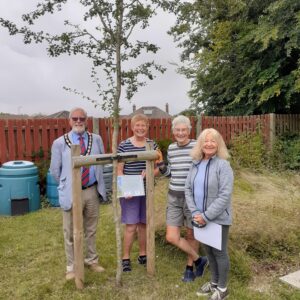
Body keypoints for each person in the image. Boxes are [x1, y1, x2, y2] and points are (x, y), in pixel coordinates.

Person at [50, 107, 107, 281]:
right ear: (69, 121)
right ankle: (71, 266)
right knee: (70, 231)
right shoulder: (60, 142)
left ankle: (91, 260)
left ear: (86, 120)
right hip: (71, 192)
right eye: (75, 118)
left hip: (91, 190)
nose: (78, 121)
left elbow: (102, 161)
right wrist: (68, 184)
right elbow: (55, 170)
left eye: (82, 118)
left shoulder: (96, 139)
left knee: (90, 228)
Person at [185, 128, 234, 300]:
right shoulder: (195, 163)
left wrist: (206, 216)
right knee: (209, 252)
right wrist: (196, 212)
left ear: (218, 144)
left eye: (213, 140)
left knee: (219, 252)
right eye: (206, 140)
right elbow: (188, 189)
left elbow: (224, 195)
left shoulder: (223, 165)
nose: (209, 144)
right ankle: (214, 282)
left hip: (218, 218)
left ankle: (222, 288)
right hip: (198, 217)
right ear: (200, 144)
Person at [158, 115, 208, 282]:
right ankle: (199, 260)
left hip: (192, 198)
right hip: (174, 196)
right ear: (173, 132)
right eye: (177, 130)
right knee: (171, 236)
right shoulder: (171, 149)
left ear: (189, 131)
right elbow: (171, 173)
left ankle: (189, 268)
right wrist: (162, 166)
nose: (180, 133)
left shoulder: (197, 146)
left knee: (191, 235)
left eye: (183, 130)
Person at [117, 114, 161, 272]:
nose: (140, 128)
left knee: (144, 223)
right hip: (131, 191)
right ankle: (126, 258)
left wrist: (150, 173)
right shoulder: (124, 145)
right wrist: (125, 189)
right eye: (138, 125)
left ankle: (143, 254)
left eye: (143, 125)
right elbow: (119, 169)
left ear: (147, 126)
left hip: (147, 190)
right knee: (131, 225)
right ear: (132, 126)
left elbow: (159, 167)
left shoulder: (153, 145)